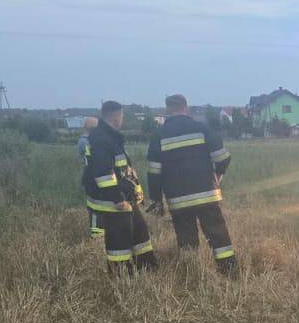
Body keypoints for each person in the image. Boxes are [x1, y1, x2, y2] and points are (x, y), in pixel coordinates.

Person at [145, 93, 237, 274]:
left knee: (186, 239)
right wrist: (217, 175)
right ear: (186, 108)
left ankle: (191, 275)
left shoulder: (159, 135)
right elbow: (223, 157)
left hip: (178, 200)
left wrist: (156, 200)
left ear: (167, 110)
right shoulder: (201, 128)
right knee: (218, 236)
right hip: (206, 195)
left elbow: (154, 172)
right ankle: (230, 272)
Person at [82, 100, 156, 274]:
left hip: (123, 197)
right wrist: (117, 198)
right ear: (117, 117)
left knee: (140, 233)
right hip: (113, 201)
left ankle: (147, 267)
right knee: (119, 243)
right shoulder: (102, 139)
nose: (122, 119)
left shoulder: (110, 137)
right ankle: (121, 275)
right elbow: (103, 173)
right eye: (122, 116)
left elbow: (121, 169)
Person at [76, 115, 102, 237]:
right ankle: (96, 235)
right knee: (95, 208)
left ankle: (98, 233)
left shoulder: (86, 140)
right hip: (92, 180)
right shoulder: (85, 142)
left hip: (92, 178)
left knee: (98, 208)